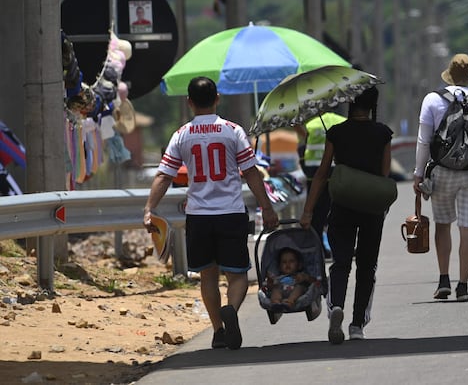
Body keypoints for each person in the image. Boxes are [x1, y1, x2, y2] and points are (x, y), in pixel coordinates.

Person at [143, 76, 279, 350]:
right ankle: (232, 310)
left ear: (190, 102)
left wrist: (149, 208)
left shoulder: (181, 135)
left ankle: (218, 329)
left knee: (208, 276)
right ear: (217, 98)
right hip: (230, 212)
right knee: (237, 275)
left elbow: (164, 175)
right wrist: (266, 205)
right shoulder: (233, 131)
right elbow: (251, 172)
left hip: (199, 216)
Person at [300, 86, 393, 344]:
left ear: (351, 103)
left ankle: (336, 306)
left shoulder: (337, 132)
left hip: (341, 205)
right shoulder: (383, 133)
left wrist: (308, 211)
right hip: (372, 208)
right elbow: (385, 173)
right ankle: (357, 324)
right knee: (366, 266)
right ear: (373, 104)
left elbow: (321, 173)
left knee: (341, 262)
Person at [412, 53, 468, 302]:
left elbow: (423, 141)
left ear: (448, 74)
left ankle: (443, 280)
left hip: (441, 172)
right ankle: (463, 286)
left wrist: (418, 174)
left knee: (443, 224)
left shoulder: (432, 100)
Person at [296, 112, 347, 258]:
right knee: (339, 213)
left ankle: (319, 250)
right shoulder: (342, 120)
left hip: (315, 176)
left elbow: (305, 143)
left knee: (317, 216)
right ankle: (340, 248)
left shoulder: (311, 125)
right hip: (336, 174)